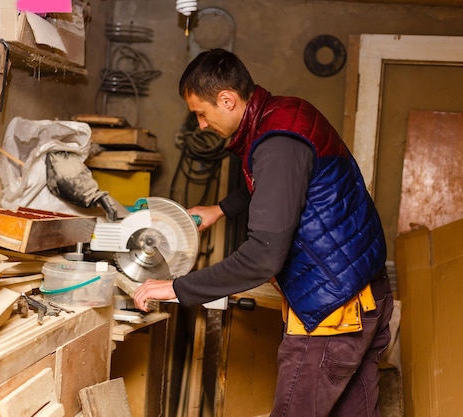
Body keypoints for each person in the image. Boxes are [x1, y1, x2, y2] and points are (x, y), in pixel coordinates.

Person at [133, 48, 394, 417]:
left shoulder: (276, 143)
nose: (202, 125)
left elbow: (263, 255)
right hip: (367, 291)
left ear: (227, 99)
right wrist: (220, 209)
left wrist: (178, 287)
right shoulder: (285, 116)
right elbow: (281, 182)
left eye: (201, 114)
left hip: (332, 310)